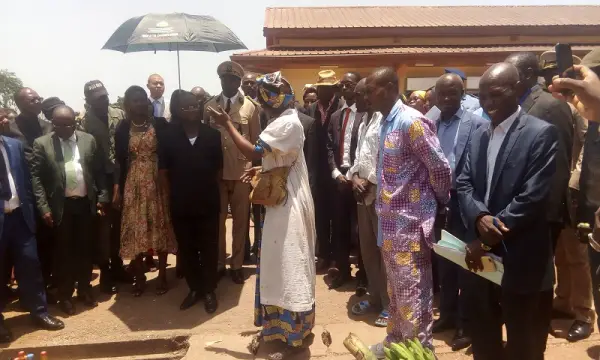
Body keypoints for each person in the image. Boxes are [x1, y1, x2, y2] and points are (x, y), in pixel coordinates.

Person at [208, 71, 316, 358]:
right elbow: (279, 158)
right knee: (278, 261)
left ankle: (293, 334)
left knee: (288, 261)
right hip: (284, 198)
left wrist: (228, 124)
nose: (262, 106)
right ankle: (281, 328)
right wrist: (262, 169)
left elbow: (255, 151)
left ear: (271, 102)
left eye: (264, 102)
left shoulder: (286, 123)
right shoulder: (287, 120)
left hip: (288, 204)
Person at [457, 63, 558, 360]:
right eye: (482, 96)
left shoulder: (541, 134)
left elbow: (532, 197)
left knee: (523, 343)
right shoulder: (478, 133)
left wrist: (489, 235)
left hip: (521, 258)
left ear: (516, 90)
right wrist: (478, 217)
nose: (487, 103)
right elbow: (463, 182)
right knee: (484, 336)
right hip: (480, 258)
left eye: (496, 95)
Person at [365, 67, 452, 356]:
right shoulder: (385, 122)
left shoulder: (411, 122)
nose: (366, 95)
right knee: (396, 292)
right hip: (389, 226)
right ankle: (396, 344)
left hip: (410, 227)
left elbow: (439, 168)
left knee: (413, 295)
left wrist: (434, 205)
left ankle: (419, 351)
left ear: (390, 87)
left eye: (371, 89)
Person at [538, 49, 595, 341]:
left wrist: (575, 186)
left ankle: (584, 312)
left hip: (574, 188)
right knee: (560, 251)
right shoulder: (551, 103)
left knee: (576, 254)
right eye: (549, 76)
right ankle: (563, 301)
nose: (554, 80)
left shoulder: (581, 105)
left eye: (557, 74)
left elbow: (586, 148)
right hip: (554, 188)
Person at [428, 73, 487, 351]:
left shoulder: (476, 124)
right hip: (440, 203)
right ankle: (448, 315)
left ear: (462, 94)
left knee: (467, 266)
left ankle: (467, 323)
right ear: (435, 96)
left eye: (453, 94)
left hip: (466, 202)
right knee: (446, 264)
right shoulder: (431, 124)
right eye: (442, 94)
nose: (447, 99)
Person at [31, 105, 108, 315]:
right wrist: (43, 207)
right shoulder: (42, 144)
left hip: (85, 204)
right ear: (52, 124)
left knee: (85, 250)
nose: (65, 128)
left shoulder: (87, 140)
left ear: (75, 122)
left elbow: (98, 170)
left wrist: (102, 196)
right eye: (60, 125)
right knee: (63, 253)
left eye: (69, 124)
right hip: (60, 206)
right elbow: (36, 178)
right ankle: (65, 295)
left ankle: (84, 289)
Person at [0, 130, 64, 343]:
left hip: (20, 218)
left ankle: (39, 312)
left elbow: (26, 181)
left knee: (30, 264)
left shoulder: (14, 145)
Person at [505, 52, 573, 252]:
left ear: (527, 74)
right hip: (516, 210)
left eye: (511, 72)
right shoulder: (512, 106)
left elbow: (559, 165)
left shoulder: (551, 106)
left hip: (542, 214)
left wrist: (549, 217)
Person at [114, 86, 175, 297]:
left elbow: (168, 155)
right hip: (134, 184)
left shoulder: (160, 124)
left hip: (157, 182)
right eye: (135, 100)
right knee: (135, 230)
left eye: (143, 100)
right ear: (128, 104)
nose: (140, 104)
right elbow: (119, 162)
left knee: (160, 225)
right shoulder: (122, 128)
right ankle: (139, 277)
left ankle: (162, 276)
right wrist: (118, 189)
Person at [164, 90, 221, 313]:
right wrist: (173, 198)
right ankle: (194, 288)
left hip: (207, 202)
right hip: (181, 203)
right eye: (186, 107)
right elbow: (163, 172)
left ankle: (209, 290)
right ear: (178, 110)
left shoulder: (212, 135)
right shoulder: (168, 136)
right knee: (187, 249)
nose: (192, 110)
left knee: (209, 247)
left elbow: (218, 169)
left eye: (195, 106)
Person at [204, 61, 260, 284]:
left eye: (233, 79)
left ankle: (237, 264)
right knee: (218, 222)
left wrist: (250, 166)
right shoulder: (209, 106)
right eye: (224, 79)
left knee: (241, 220)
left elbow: (254, 142)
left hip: (241, 171)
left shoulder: (250, 107)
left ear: (238, 82)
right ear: (220, 81)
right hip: (217, 171)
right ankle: (219, 263)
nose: (228, 82)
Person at [79, 80, 130, 294]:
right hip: (100, 180)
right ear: (88, 101)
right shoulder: (84, 123)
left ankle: (118, 265)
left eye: (105, 95)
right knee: (102, 228)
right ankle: (106, 272)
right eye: (98, 98)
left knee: (120, 225)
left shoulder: (119, 114)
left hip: (121, 176)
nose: (104, 100)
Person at [347, 78, 389, 327]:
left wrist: (369, 183)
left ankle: (388, 304)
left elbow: (387, 159)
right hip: (362, 195)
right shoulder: (363, 121)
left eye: (360, 94)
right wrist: (354, 177)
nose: (356, 99)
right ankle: (375, 298)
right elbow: (360, 157)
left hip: (381, 197)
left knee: (385, 254)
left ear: (371, 94)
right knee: (368, 252)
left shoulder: (386, 121)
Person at [6, 88, 55, 299]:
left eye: (39, 98)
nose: (37, 101)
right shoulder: (9, 128)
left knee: (45, 242)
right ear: (19, 103)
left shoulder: (48, 126)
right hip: (20, 194)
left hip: (45, 192)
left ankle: (44, 287)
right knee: (21, 247)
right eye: (31, 99)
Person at [326, 72, 363, 290]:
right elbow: (329, 147)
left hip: (360, 181)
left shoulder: (368, 116)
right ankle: (342, 271)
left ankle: (364, 275)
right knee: (339, 228)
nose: (345, 89)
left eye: (350, 85)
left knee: (360, 231)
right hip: (339, 180)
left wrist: (354, 175)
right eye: (343, 85)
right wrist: (334, 172)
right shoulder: (335, 116)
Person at [307, 70, 342, 272]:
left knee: (337, 217)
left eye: (328, 87)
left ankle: (337, 258)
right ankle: (323, 254)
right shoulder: (310, 109)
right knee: (319, 215)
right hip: (316, 171)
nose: (323, 91)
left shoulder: (341, 108)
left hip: (336, 169)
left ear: (333, 89)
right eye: (321, 87)